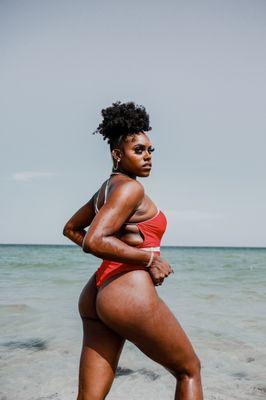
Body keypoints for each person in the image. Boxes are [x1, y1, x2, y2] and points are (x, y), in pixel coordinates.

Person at [63, 101, 203, 400]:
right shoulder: (130, 189)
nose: (148, 156)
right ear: (117, 154)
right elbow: (93, 240)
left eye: (150, 150)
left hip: (98, 292)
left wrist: (125, 253)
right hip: (128, 292)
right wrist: (148, 258)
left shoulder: (106, 189)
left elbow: (72, 230)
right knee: (188, 370)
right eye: (138, 150)